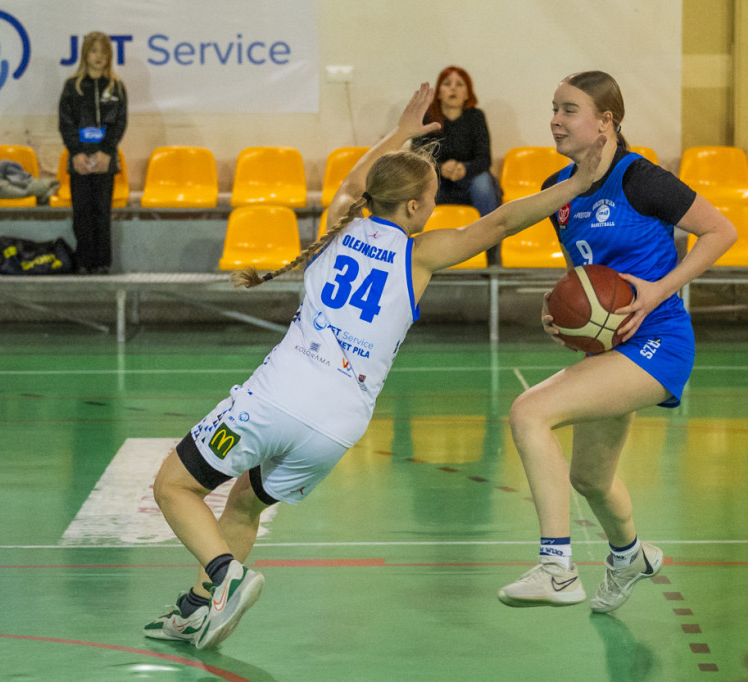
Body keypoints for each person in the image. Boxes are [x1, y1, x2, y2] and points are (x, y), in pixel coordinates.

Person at [143, 83, 604, 649]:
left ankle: (225, 575)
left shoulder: (339, 224)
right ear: (413, 208)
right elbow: (501, 223)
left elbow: (353, 182)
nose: (434, 207)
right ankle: (197, 607)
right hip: (339, 426)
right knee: (244, 502)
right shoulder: (420, 256)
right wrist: (578, 184)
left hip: (279, 398)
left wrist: (402, 133)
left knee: (173, 486)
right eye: (432, 198)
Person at [497, 71, 736, 612]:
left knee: (529, 412)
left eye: (569, 110)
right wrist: (558, 310)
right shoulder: (557, 191)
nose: (555, 119)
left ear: (606, 121)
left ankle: (557, 568)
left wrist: (657, 292)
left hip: (659, 341)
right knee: (590, 478)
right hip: (611, 347)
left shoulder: (641, 179)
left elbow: (722, 231)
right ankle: (629, 557)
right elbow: (585, 275)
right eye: (553, 108)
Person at [58, 31, 127, 274]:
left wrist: (106, 152)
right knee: (82, 213)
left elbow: (120, 123)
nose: (99, 56)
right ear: (85, 54)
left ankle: (102, 264)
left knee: (101, 212)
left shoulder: (116, 87)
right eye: (94, 51)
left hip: (104, 161)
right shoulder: (72, 87)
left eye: (104, 52)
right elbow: (66, 123)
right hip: (79, 161)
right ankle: (84, 262)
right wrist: (77, 153)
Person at [413, 66, 500, 217]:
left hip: (469, 174)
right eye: (447, 84)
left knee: (483, 184)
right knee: (424, 185)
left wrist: (464, 169)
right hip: (435, 175)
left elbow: (484, 159)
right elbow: (416, 158)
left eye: (459, 84)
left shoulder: (476, 116)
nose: (453, 88)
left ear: (467, 93)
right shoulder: (426, 117)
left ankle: (490, 238)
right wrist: (441, 168)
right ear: (439, 93)